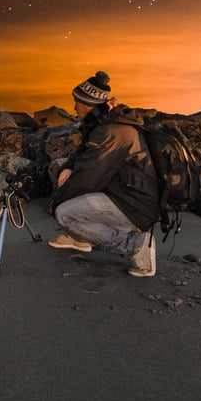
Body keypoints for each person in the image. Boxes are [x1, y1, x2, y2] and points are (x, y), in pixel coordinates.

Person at [49, 71, 160, 277]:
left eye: (77, 102)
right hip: (124, 194)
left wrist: (55, 204)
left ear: (89, 104)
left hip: (134, 205)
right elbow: (82, 153)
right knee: (68, 190)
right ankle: (79, 238)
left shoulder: (113, 132)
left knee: (65, 214)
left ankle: (137, 246)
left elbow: (87, 178)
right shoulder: (102, 124)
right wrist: (68, 167)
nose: (74, 107)